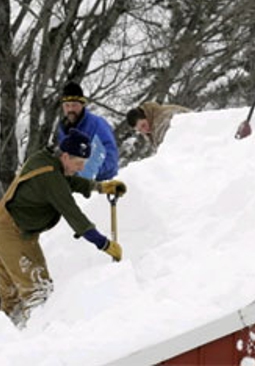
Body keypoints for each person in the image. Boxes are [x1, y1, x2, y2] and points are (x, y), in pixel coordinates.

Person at [0, 129, 126, 327]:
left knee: (10, 295)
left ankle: (9, 338)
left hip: (10, 228)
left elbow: (69, 181)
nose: (79, 169)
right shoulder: (49, 176)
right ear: (65, 156)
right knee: (37, 292)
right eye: (78, 164)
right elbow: (71, 212)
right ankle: (36, 338)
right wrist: (103, 243)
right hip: (12, 233)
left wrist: (100, 187)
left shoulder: (50, 160)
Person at [58, 82, 119, 181]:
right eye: (67, 105)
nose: (70, 109)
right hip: (74, 183)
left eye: (74, 105)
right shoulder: (63, 128)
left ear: (82, 104)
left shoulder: (97, 125)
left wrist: (86, 173)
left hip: (100, 182)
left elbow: (110, 157)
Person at [126, 101, 191, 152]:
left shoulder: (162, 119)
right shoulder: (154, 128)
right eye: (140, 130)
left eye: (143, 125)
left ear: (147, 116)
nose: (144, 130)